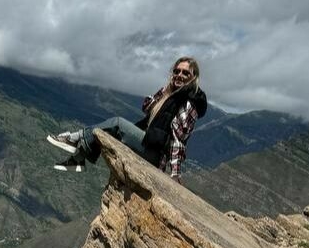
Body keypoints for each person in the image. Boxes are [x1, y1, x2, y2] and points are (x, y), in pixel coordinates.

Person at [47, 56, 208, 181]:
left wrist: (175, 173)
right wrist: (165, 91)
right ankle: (78, 158)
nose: (180, 75)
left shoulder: (189, 103)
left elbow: (178, 139)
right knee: (109, 132)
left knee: (117, 124)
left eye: (185, 73)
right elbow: (146, 107)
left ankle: (75, 139)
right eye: (176, 71)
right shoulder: (171, 95)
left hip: (155, 155)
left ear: (194, 77)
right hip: (149, 145)